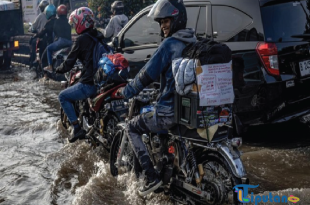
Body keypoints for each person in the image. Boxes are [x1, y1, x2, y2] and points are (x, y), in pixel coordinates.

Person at [116, 0, 196, 196]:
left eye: (166, 21)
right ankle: (168, 163)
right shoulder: (193, 40)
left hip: (169, 111)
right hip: (189, 108)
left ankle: (152, 178)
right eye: (160, 22)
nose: (163, 26)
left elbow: (146, 74)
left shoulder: (170, 44)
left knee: (132, 127)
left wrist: (126, 91)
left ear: (177, 19)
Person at [55, 7, 104, 143]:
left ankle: (77, 128)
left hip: (89, 83)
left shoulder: (81, 39)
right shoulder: (98, 35)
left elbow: (69, 62)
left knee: (63, 96)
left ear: (80, 23)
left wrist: (57, 70)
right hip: (102, 80)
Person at [43, 4, 72, 74]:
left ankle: (50, 66)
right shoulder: (68, 21)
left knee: (49, 48)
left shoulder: (57, 21)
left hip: (61, 41)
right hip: (70, 42)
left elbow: (55, 33)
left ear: (58, 12)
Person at [33, 4, 57, 79]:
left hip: (51, 43)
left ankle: (45, 76)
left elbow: (42, 32)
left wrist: (36, 35)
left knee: (43, 59)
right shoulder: (58, 21)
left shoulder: (49, 22)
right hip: (59, 43)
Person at [29, 0, 49, 67]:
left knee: (33, 41)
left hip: (43, 37)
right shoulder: (54, 16)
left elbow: (33, 27)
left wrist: (31, 29)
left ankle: (36, 59)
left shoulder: (41, 16)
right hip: (52, 38)